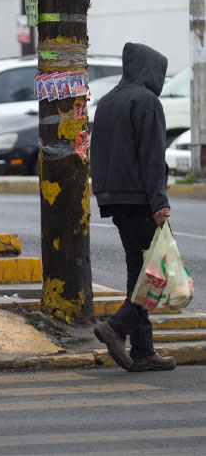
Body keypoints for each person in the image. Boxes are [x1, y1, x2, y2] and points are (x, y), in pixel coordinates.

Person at [91, 42, 176, 372]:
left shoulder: (108, 100)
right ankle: (116, 327)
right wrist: (159, 202)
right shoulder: (147, 101)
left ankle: (143, 350)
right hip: (141, 199)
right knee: (154, 276)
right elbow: (153, 157)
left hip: (115, 198)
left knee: (138, 274)